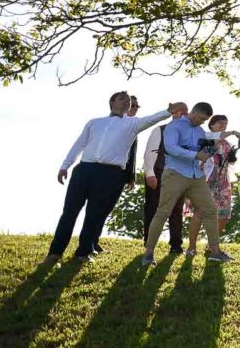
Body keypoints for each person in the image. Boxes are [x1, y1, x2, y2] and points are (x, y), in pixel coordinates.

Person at [44, 92, 174, 263]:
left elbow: (152, 119)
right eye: (122, 99)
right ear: (111, 102)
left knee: (94, 214)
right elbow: (79, 144)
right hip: (84, 169)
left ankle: (83, 252)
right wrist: (65, 165)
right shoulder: (94, 123)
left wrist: (168, 111)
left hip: (110, 173)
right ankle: (55, 253)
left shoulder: (133, 124)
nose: (126, 103)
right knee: (69, 211)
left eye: (128, 101)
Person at [142, 102, 232, 265]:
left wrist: (212, 148)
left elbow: (202, 152)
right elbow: (171, 148)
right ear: (194, 112)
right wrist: (195, 155)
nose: (202, 122)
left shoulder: (199, 131)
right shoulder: (174, 126)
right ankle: (148, 253)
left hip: (196, 175)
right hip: (175, 174)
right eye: (201, 118)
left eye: (205, 120)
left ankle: (215, 252)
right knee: (163, 211)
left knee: (211, 210)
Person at [185, 115, 240, 258]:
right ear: (212, 125)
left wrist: (233, 155)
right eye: (220, 123)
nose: (223, 126)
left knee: (224, 214)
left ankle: (212, 247)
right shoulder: (206, 137)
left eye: (225, 123)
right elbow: (205, 155)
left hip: (223, 182)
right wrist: (234, 132)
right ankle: (191, 247)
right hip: (206, 181)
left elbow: (229, 162)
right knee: (200, 213)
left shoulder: (226, 144)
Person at [94, 94, 141, 254]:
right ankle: (90, 241)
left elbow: (132, 155)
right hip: (106, 171)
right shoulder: (114, 126)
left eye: (136, 106)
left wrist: (131, 177)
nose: (133, 108)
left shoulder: (134, 126)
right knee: (98, 207)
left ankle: (94, 240)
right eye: (132, 105)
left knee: (107, 207)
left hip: (121, 174)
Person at [142, 107, 186, 255]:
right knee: (153, 209)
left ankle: (176, 245)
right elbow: (150, 152)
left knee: (176, 211)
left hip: (179, 177)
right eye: (180, 112)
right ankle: (149, 243)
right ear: (173, 115)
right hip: (158, 173)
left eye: (185, 113)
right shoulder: (160, 130)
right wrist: (149, 173)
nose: (182, 115)